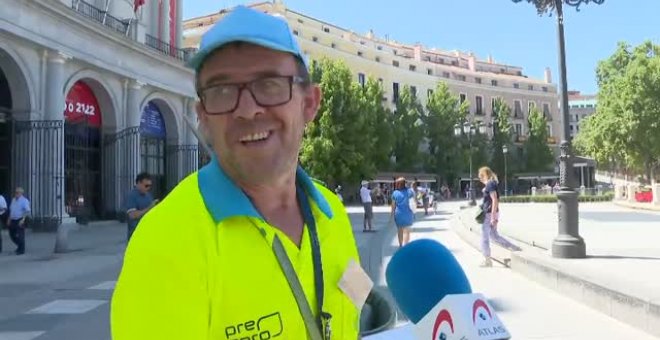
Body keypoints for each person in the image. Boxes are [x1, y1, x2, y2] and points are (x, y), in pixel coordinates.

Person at [111, 6, 363, 340]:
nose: (246, 110)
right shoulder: (165, 242)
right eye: (222, 91)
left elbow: (355, 308)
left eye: (270, 84)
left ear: (309, 103)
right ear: (203, 116)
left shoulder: (332, 214)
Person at [478, 166, 521, 267]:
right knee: (494, 236)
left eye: (481, 177)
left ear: (485, 175)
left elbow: (494, 200)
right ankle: (514, 248)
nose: (480, 180)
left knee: (485, 237)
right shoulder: (491, 184)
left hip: (489, 214)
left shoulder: (490, 184)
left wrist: (493, 217)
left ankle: (487, 259)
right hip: (492, 213)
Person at [124, 172, 158, 242]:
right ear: (139, 183)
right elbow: (132, 215)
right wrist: (149, 208)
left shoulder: (148, 196)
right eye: (146, 186)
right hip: (136, 235)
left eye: (149, 186)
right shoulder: (132, 196)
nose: (148, 188)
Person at [391, 177, 415, 248]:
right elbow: (413, 203)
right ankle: (406, 246)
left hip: (398, 214)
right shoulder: (410, 192)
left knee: (400, 230)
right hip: (408, 213)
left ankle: (400, 245)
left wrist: (392, 214)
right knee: (407, 231)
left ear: (398, 184)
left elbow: (393, 205)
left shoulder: (395, 193)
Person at [7, 187, 30, 255]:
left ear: (21, 193)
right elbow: (11, 210)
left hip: (20, 219)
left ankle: (21, 250)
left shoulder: (24, 201)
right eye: (15, 192)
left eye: (17, 192)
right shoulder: (13, 200)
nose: (15, 194)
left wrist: (23, 220)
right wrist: (9, 219)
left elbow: (27, 211)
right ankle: (19, 246)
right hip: (13, 219)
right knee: (12, 234)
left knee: (20, 235)